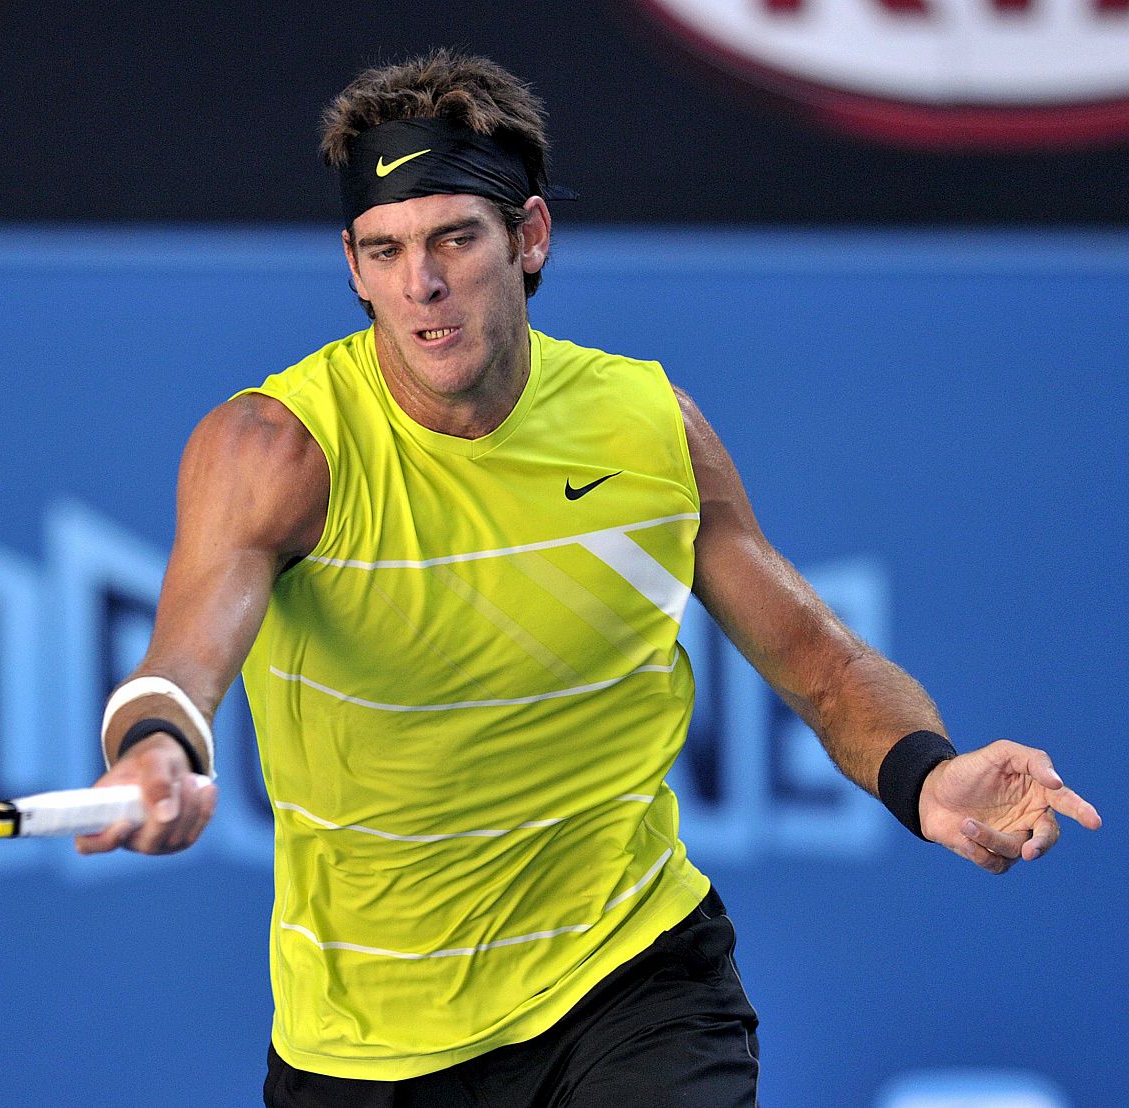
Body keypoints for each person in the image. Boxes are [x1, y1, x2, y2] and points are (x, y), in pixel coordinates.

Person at [75, 49, 1103, 1106]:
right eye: (382, 251)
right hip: (361, 1045)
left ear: (528, 237)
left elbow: (825, 671)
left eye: (452, 240)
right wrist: (154, 747)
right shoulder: (274, 450)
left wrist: (924, 773)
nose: (418, 284)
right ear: (351, 264)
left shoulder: (649, 427)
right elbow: (181, 663)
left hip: (631, 986)